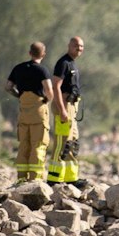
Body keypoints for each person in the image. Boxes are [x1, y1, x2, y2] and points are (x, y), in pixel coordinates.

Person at [6, 42, 52, 182]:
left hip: (23, 112)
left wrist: (19, 96)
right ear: (43, 54)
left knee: (24, 145)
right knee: (37, 145)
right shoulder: (42, 70)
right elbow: (50, 92)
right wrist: (45, 101)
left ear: (29, 53)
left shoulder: (18, 68)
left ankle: (21, 179)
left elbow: (8, 87)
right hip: (38, 112)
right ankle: (35, 179)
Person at [48, 35, 87, 187]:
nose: (79, 49)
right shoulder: (63, 63)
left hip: (72, 108)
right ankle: (53, 179)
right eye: (77, 46)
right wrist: (62, 109)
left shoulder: (73, 64)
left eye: (82, 47)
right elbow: (56, 86)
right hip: (64, 107)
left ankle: (71, 178)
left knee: (73, 143)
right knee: (62, 144)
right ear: (69, 46)